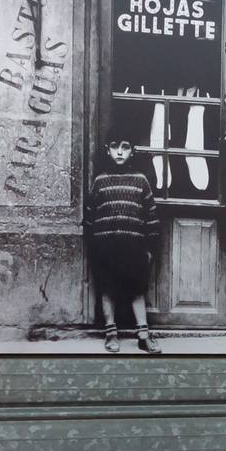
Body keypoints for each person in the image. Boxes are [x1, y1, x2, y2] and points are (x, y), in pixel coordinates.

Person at [84, 136, 161, 354]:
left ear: (132, 151)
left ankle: (143, 336)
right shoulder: (100, 181)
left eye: (125, 147)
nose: (120, 152)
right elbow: (90, 217)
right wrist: (95, 248)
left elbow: (152, 217)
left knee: (136, 290)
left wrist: (149, 249)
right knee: (108, 289)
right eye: (115, 146)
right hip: (106, 248)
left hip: (133, 247)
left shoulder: (140, 180)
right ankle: (111, 334)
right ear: (108, 150)